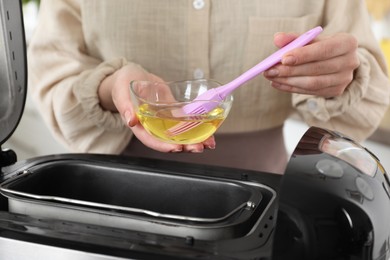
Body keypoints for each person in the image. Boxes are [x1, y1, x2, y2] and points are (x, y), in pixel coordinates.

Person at [27, 0, 390, 174]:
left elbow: (367, 75)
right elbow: (54, 72)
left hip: (265, 192)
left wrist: (339, 76)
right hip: (118, 191)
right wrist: (111, 89)